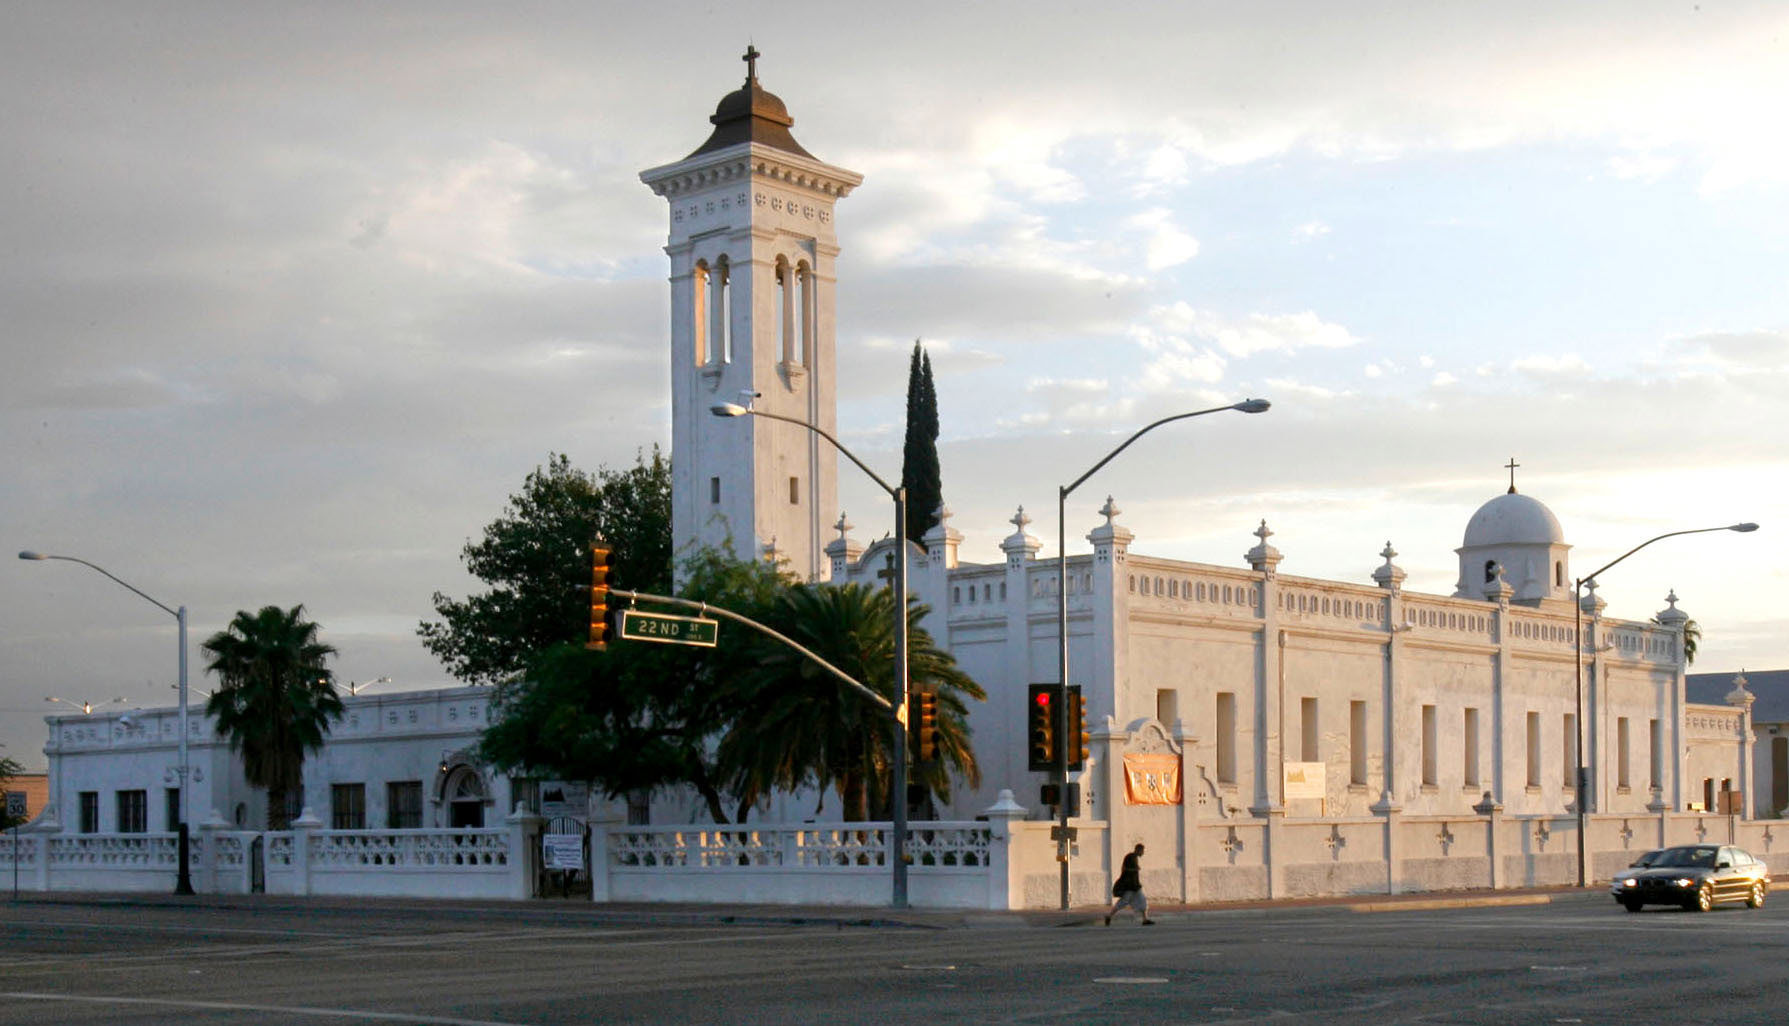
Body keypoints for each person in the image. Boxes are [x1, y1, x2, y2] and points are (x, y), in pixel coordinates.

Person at [1106, 842, 1154, 925]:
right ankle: (1109, 916)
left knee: (1143, 901)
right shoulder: (1131, 857)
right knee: (1122, 902)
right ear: (1138, 850)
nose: (1143, 853)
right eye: (1142, 851)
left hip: (1135, 886)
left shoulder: (1133, 857)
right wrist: (1136, 869)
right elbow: (1126, 870)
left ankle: (1145, 919)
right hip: (1130, 886)